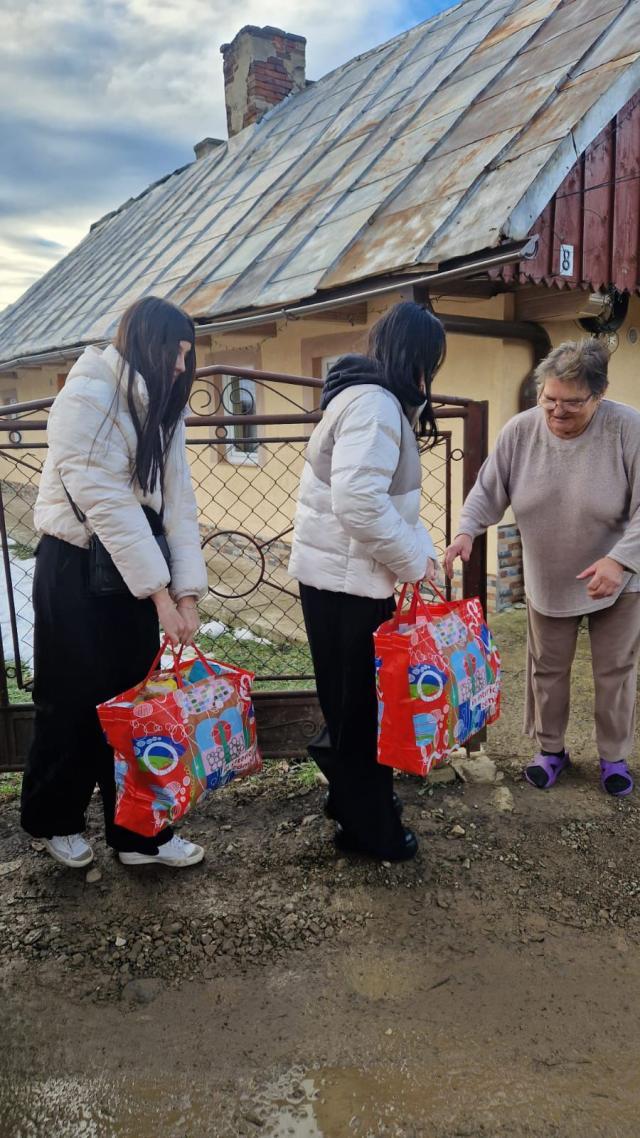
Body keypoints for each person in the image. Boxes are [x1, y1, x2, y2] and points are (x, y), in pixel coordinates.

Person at [20, 296, 209, 869]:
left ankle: (138, 835)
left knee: (138, 702)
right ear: (147, 345)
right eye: (175, 353)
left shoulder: (162, 406)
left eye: (186, 355)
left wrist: (187, 592)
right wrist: (159, 595)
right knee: (71, 700)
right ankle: (56, 821)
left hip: (134, 562)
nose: (182, 366)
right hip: (76, 566)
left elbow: (178, 504)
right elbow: (104, 504)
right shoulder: (88, 393)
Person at [445, 339, 640, 797]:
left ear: (599, 394)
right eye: (549, 399)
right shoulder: (520, 431)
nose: (557, 411)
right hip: (549, 574)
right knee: (547, 669)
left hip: (619, 574)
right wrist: (465, 531)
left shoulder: (627, 428)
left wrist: (620, 560)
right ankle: (551, 750)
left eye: (572, 403)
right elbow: (488, 489)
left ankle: (614, 757)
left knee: (615, 669)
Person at [288, 301, 445, 860]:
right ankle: (370, 832)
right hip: (348, 587)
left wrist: (419, 552)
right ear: (416, 357)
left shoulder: (365, 398)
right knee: (359, 716)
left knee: (349, 707)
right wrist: (413, 560)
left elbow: (382, 504)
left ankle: (352, 806)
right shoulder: (377, 406)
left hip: (341, 579)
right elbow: (358, 503)